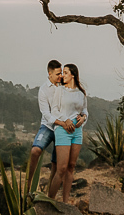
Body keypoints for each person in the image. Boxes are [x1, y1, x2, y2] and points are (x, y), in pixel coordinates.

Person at [47, 63, 88, 203]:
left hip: (77, 132)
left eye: (65, 72)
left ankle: (65, 202)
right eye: (62, 72)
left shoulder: (81, 93)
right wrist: (66, 121)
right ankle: (49, 201)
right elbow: (54, 110)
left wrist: (83, 119)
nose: (62, 75)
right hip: (63, 130)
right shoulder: (60, 91)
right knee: (61, 168)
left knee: (71, 167)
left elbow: (85, 111)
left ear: (73, 75)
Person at [27, 59, 63, 181]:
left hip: (61, 130)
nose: (60, 76)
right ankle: (29, 182)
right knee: (35, 151)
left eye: (61, 73)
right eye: (58, 74)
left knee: (56, 162)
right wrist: (59, 122)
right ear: (50, 74)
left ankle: (49, 194)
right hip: (48, 127)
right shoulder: (43, 90)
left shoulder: (65, 86)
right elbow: (46, 113)